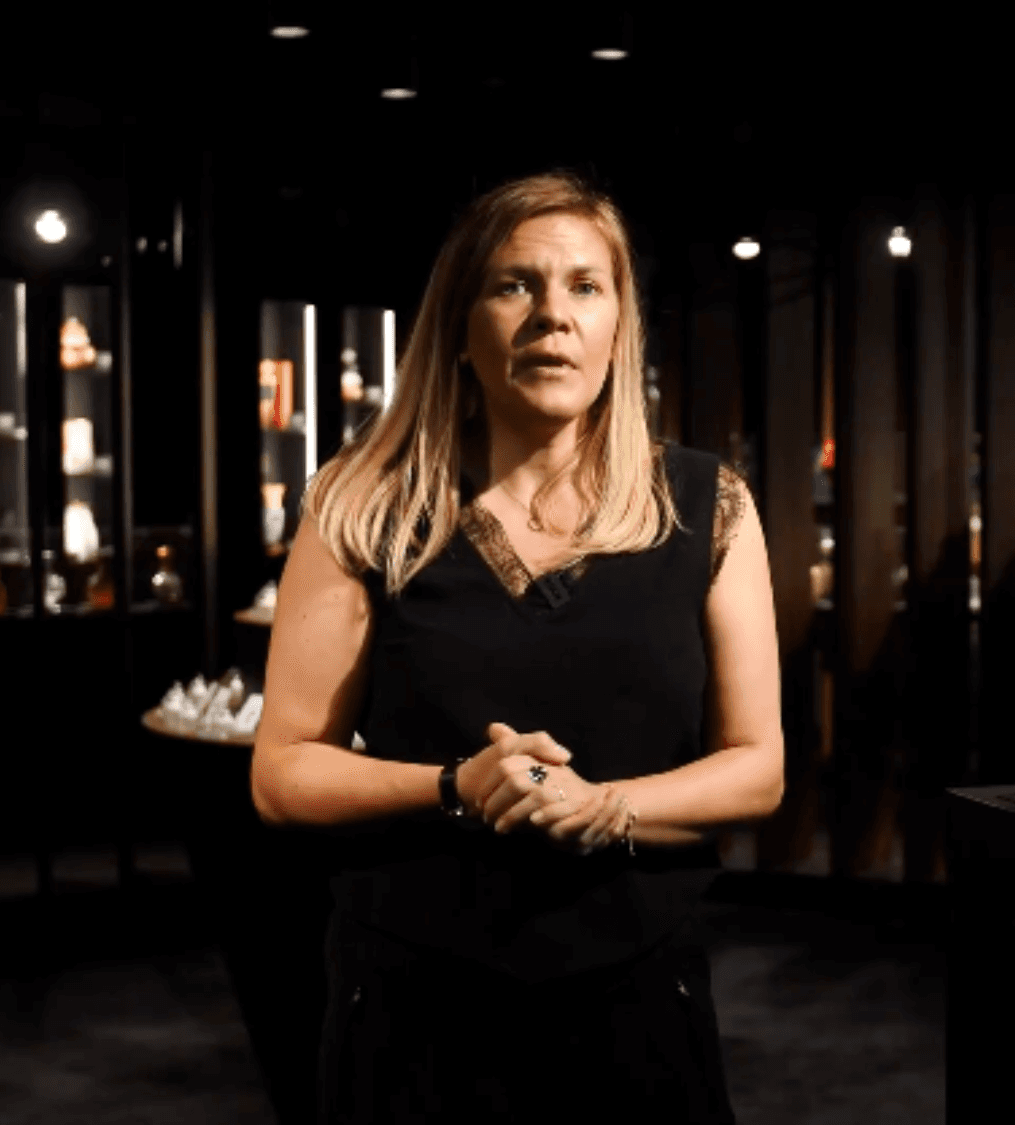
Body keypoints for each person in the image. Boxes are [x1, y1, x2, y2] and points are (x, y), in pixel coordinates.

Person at [251, 170, 782, 1123]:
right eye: (513, 285)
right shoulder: (361, 506)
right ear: (459, 327)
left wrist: (607, 805)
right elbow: (283, 771)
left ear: (619, 326)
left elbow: (757, 767)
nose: (552, 316)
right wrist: (455, 785)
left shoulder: (710, 507)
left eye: (585, 286)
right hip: (414, 1006)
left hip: (637, 1004)